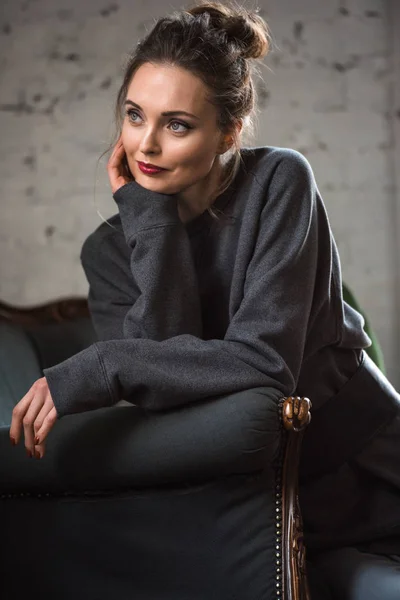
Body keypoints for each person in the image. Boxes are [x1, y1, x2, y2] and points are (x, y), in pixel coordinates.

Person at [8, 1, 400, 597]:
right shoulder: (109, 251)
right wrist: (152, 223)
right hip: (244, 499)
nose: (146, 144)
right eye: (136, 116)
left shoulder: (279, 182)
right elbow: (163, 388)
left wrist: (106, 363)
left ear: (228, 132)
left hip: (364, 459)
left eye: (178, 124)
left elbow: (266, 363)